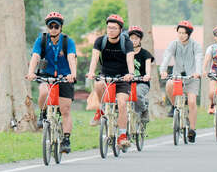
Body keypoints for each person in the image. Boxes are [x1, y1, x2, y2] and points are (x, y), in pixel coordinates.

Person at [26, 12, 77, 153]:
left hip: (65, 77)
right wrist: (31, 72)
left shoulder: (67, 41)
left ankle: (66, 139)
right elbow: (35, 56)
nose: (53, 29)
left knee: (65, 110)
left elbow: (72, 57)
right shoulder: (41, 40)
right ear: (48, 28)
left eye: (56, 26)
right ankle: (43, 114)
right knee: (43, 92)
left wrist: (73, 74)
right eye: (51, 26)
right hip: (46, 75)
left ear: (61, 27)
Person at [85, 14, 135, 147]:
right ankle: (101, 109)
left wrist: (131, 73)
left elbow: (130, 59)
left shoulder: (127, 43)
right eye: (108, 28)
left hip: (123, 78)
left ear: (120, 30)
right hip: (106, 76)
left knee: (122, 104)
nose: (110, 30)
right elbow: (95, 58)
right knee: (98, 83)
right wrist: (91, 72)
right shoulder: (101, 41)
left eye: (114, 28)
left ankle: (122, 136)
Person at [160, 20, 203, 143]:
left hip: (192, 78)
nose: (181, 35)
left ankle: (192, 130)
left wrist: (198, 72)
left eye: (184, 33)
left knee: (192, 102)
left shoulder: (195, 45)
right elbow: (166, 56)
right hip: (177, 76)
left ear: (189, 34)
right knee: (169, 84)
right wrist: (163, 70)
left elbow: (199, 58)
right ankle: (174, 107)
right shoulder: (174, 44)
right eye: (179, 32)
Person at [127, 25, 154, 128]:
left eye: (136, 38)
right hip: (128, 82)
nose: (133, 41)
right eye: (131, 38)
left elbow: (148, 67)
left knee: (137, 94)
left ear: (140, 40)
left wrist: (147, 75)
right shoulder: (125, 53)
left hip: (142, 82)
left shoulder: (145, 54)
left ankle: (143, 110)